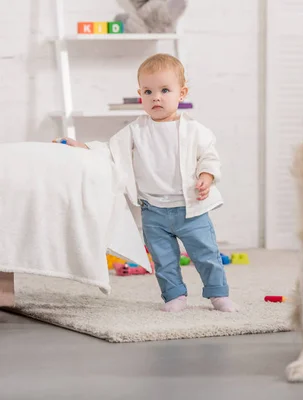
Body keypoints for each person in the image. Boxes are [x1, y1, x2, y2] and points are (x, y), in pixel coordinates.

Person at [55, 53, 237, 313]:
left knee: (206, 253)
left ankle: (218, 294)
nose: (156, 97)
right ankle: (174, 295)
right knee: (163, 259)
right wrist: (82, 146)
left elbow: (209, 157)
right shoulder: (136, 130)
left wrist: (205, 177)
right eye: (148, 91)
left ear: (181, 93)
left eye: (165, 90)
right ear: (140, 94)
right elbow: (110, 150)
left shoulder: (196, 131)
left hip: (191, 208)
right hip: (153, 210)